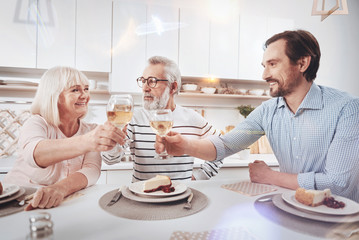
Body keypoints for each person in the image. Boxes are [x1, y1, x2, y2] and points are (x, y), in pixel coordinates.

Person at [155, 30, 359, 202]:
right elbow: (226, 145)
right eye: (264, 66)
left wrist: (271, 176)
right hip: (293, 209)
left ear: (302, 63)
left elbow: (338, 185)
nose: (264, 75)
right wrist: (184, 145)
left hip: (338, 221)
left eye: (273, 64)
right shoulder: (267, 112)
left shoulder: (346, 108)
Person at [3, 66, 123, 209]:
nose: (85, 95)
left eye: (86, 89)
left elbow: (91, 170)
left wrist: (60, 188)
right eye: (75, 90)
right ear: (54, 96)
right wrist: (88, 141)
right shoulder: (36, 123)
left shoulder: (91, 130)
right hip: (15, 203)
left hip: (58, 203)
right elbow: (35, 154)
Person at [102, 56, 223, 181]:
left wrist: (197, 177)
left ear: (173, 87)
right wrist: (112, 143)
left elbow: (221, 148)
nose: (145, 88)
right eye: (143, 81)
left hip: (181, 197)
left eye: (152, 81)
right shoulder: (133, 118)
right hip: (143, 197)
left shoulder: (193, 118)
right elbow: (109, 160)